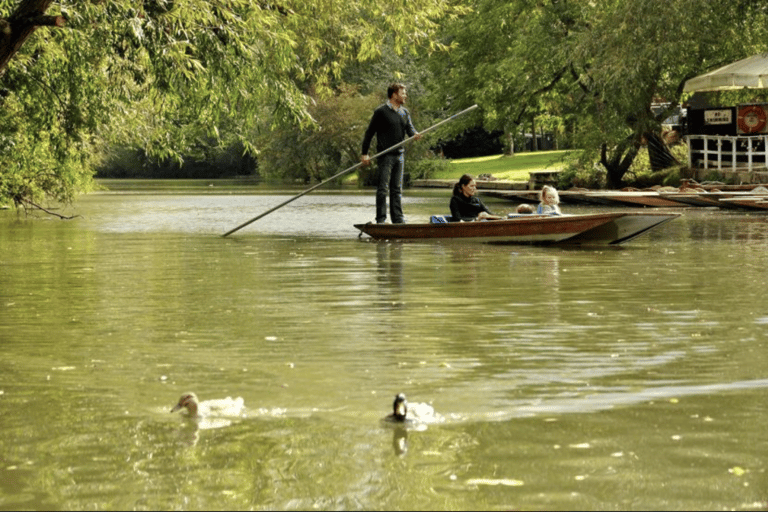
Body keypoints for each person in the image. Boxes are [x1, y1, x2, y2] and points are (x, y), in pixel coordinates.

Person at [361, 83, 422, 224]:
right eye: (403, 93)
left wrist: (415, 134)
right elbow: (369, 133)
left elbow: (409, 128)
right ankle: (381, 219)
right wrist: (364, 153)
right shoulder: (381, 112)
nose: (405, 95)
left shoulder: (404, 112)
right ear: (394, 95)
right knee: (383, 189)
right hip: (385, 155)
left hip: (399, 155)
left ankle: (398, 219)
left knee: (397, 189)